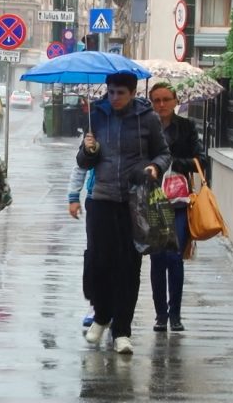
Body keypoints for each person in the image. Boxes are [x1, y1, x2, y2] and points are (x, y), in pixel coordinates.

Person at [77, 72, 171, 354]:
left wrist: (155, 167)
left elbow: (163, 153)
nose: (115, 98)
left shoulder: (147, 118)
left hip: (133, 202)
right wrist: (88, 150)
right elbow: (83, 161)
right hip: (101, 199)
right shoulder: (97, 115)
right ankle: (101, 315)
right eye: (111, 92)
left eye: (120, 93)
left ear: (132, 93)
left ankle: (122, 331)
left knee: (129, 267)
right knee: (98, 262)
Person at [148, 82, 207, 333]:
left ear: (175, 101)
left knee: (174, 257)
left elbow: (201, 160)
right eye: (156, 100)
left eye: (166, 99)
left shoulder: (186, 126)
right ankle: (160, 315)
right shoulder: (145, 127)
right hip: (152, 200)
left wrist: (174, 162)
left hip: (179, 202)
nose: (161, 104)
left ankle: (175, 314)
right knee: (157, 258)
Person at [67, 165, 96, 327]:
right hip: (97, 198)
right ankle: (95, 304)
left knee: (121, 256)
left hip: (126, 200)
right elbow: (81, 164)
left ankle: (117, 307)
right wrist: (73, 196)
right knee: (95, 255)